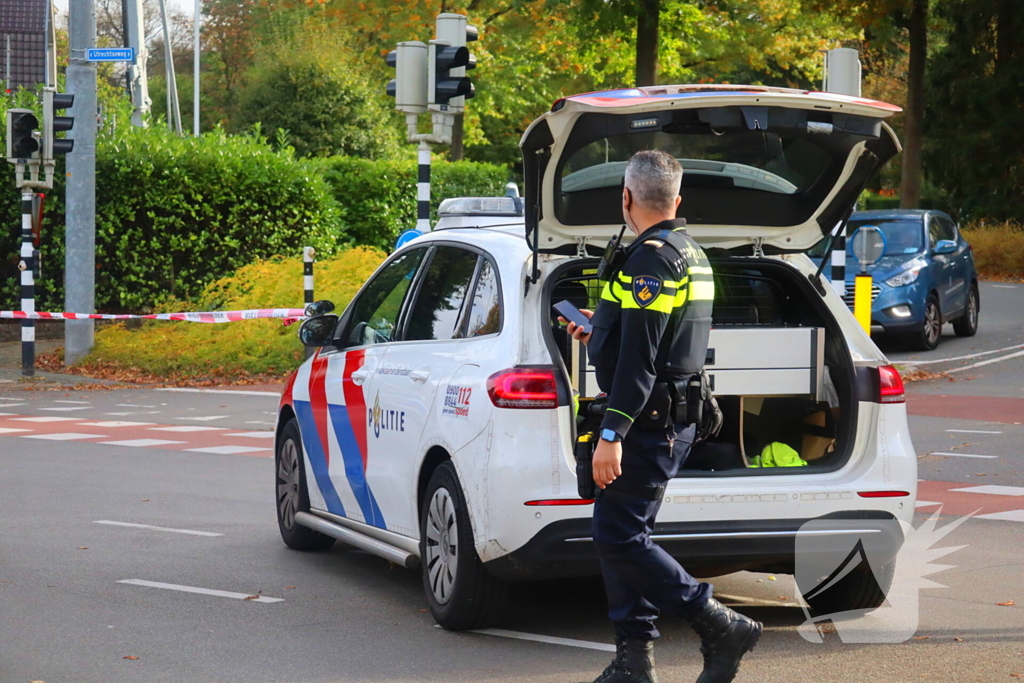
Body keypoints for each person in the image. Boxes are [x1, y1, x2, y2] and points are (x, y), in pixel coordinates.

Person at [561, 151, 761, 683]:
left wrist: (612, 434)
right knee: (628, 533)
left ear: (626, 198)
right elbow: (657, 337)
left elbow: (641, 359)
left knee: (617, 536)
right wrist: (596, 331)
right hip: (672, 413)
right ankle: (633, 659)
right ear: (677, 199)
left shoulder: (650, 258)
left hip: (649, 420)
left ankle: (717, 622)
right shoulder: (690, 252)